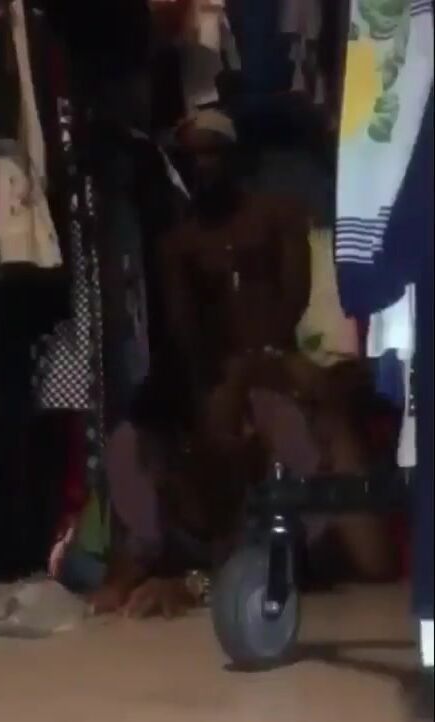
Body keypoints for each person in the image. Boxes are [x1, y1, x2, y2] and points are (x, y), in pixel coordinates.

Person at [50, 109, 395, 616]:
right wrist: (216, 381)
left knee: (302, 413)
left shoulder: (279, 215)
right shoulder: (179, 244)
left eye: (213, 154)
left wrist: (257, 367)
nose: (203, 167)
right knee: (159, 434)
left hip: (276, 357)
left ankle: (293, 529)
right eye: (193, 158)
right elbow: (186, 325)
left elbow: (293, 298)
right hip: (215, 369)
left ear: (236, 159)